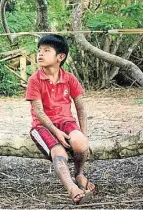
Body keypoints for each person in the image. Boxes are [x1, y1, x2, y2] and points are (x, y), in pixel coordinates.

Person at [25, 35, 96, 204]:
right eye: (39, 50)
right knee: (59, 153)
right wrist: (56, 132)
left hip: (66, 122)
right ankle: (72, 189)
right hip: (42, 126)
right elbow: (39, 112)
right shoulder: (34, 80)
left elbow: (80, 107)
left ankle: (79, 173)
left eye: (46, 50)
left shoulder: (69, 78)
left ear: (60, 57)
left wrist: (84, 135)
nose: (40, 54)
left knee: (80, 142)